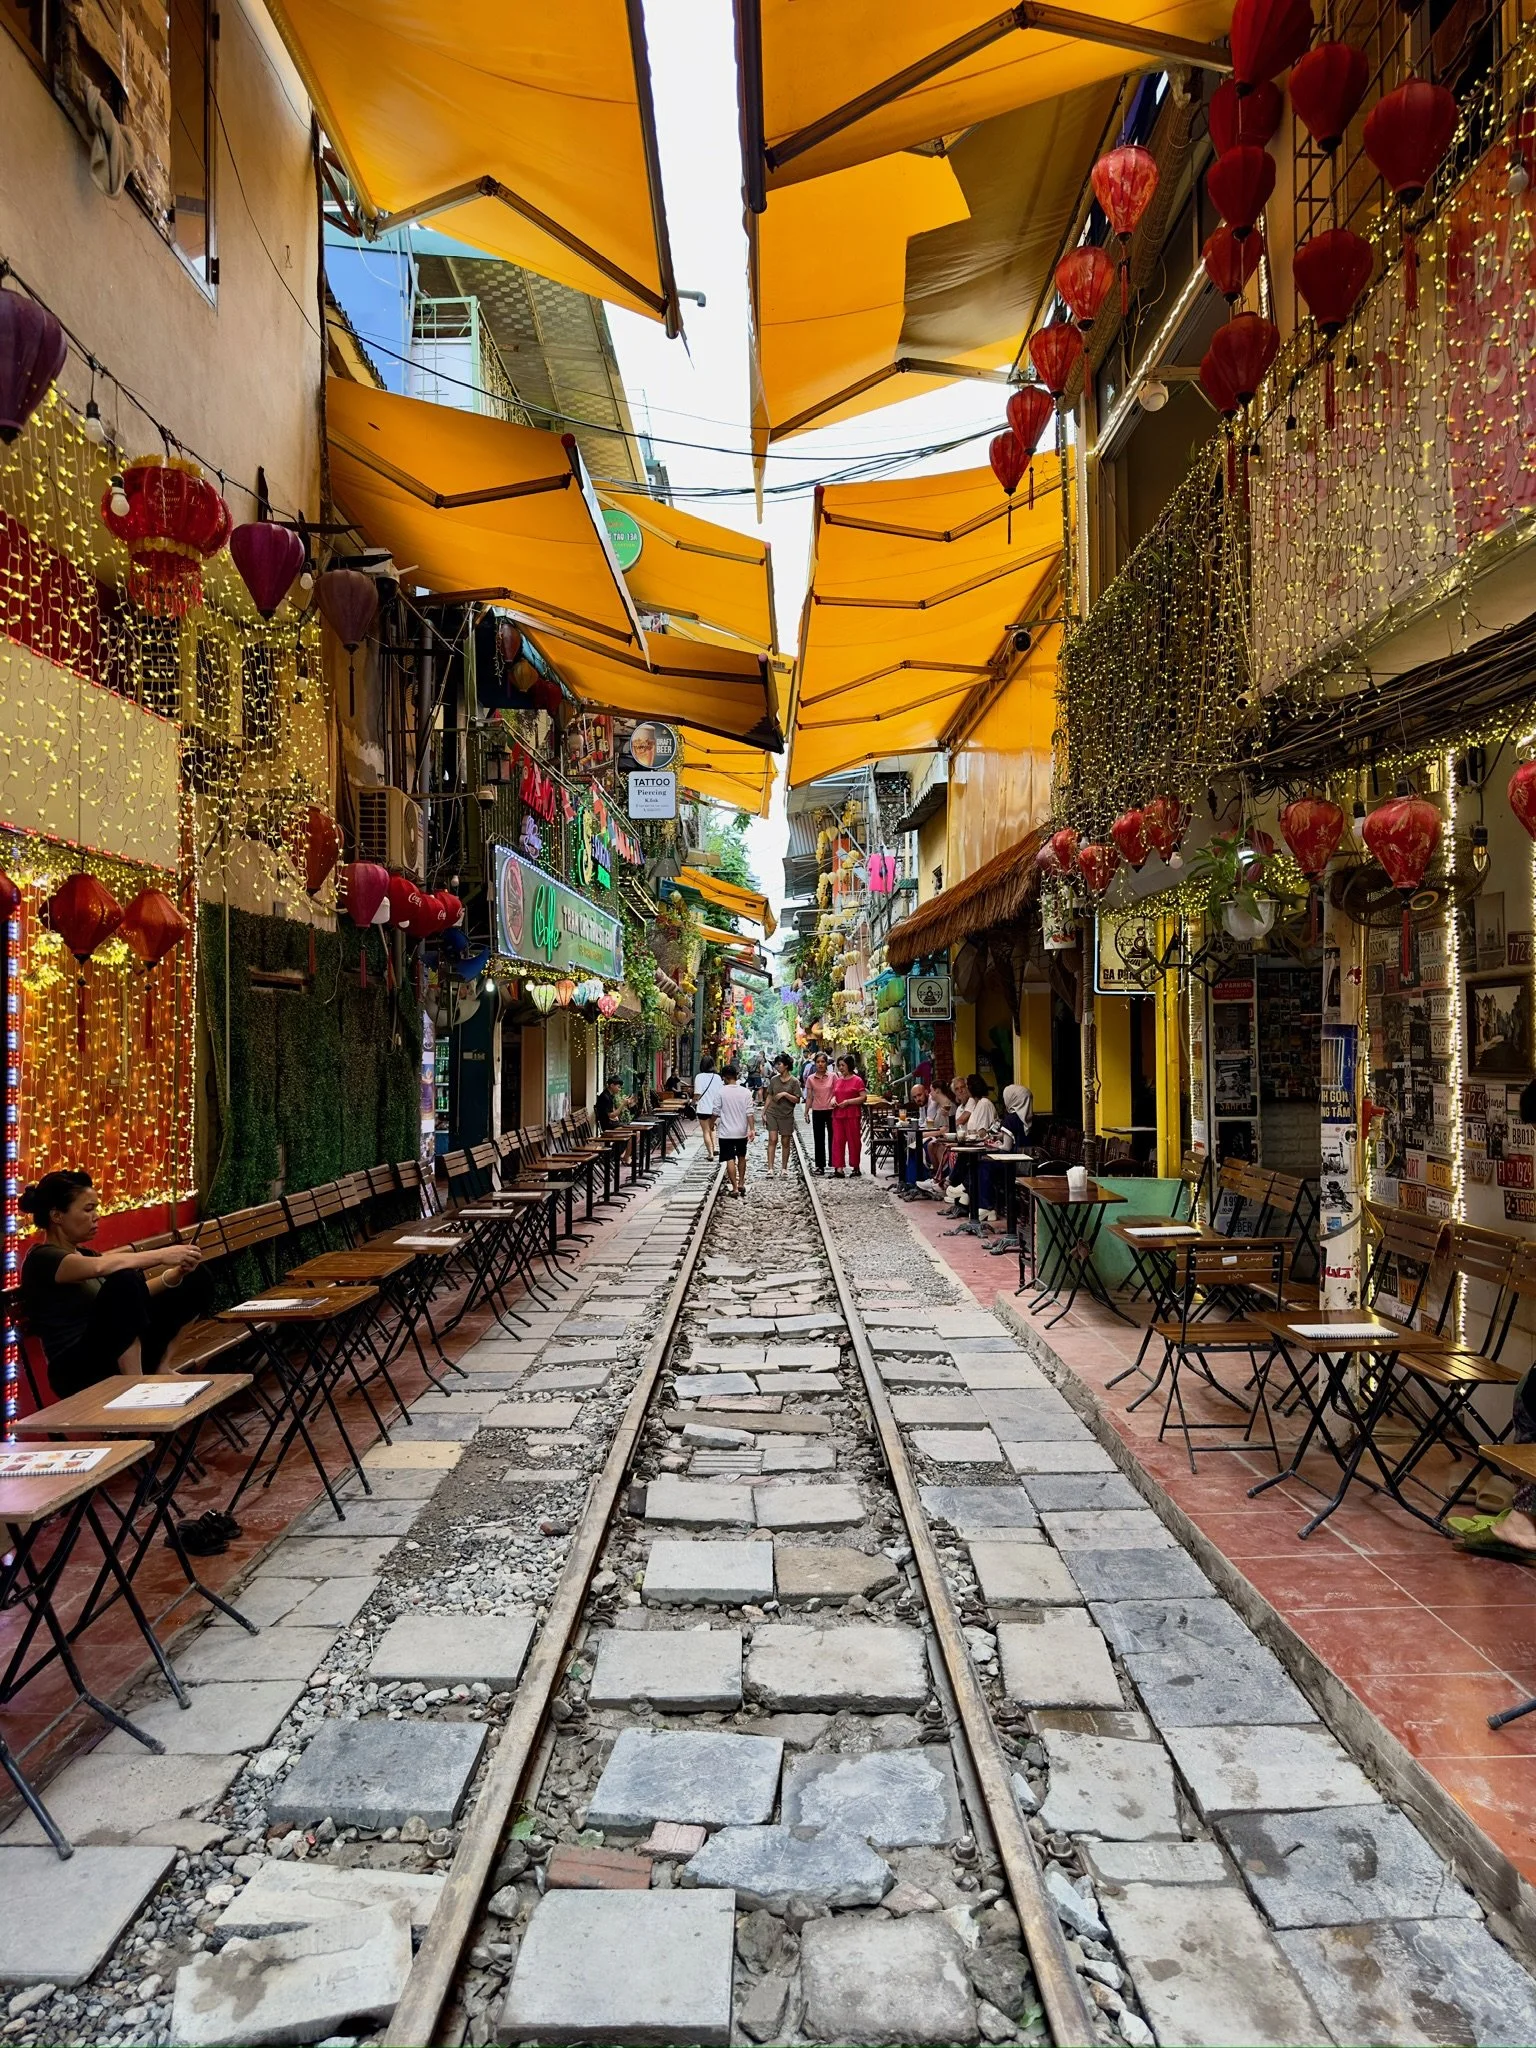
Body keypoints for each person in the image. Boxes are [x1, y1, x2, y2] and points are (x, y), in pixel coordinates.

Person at [20, 1170, 204, 1400]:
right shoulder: (43, 1258)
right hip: (75, 1369)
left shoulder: (86, 1253)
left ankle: (161, 1368)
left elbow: (132, 1297)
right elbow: (101, 1269)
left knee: (195, 1280)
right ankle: (137, 1389)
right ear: (57, 1215)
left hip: (106, 1354)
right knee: (125, 1279)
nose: (96, 1216)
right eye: (88, 1209)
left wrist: (175, 1275)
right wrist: (161, 1255)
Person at [976, 1083, 1034, 1228]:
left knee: (984, 1164)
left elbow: (1006, 1148)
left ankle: (986, 1206)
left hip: (1012, 1165)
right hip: (1028, 1163)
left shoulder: (1010, 1119)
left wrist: (996, 1145)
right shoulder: (1030, 1118)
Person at [943, 1075, 999, 1211]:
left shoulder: (984, 1103)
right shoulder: (977, 1104)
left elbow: (982, 1132)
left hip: (986, 1147)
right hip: (979, 1145)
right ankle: (958, 1188)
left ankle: (959, 1186)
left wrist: (969, 1138)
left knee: (969, 1157)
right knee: (961, 1153)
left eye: (965, 1086)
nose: (963, 1090)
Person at [715, 1062, 756, 1197]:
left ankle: (734, 1188)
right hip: (741, 1131)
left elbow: (715, 1112)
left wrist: (710, 1125)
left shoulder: (720, 1092)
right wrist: (752, 1129)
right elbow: (749, 1112)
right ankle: (742, 1183)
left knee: (729, 1159)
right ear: (736, 1076)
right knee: (741, 1156)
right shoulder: (745, 1092)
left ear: (725, 1078)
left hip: (726, 1132)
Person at [763, 1053, 801, 1177]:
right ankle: (770, 1168)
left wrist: (785, 1094)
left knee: (785, 1141)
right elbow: (769, 1095)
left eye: (779, 1064)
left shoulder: (794, 1081)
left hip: (787, 1114)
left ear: (786, 1065)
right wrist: (764, 1111)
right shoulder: (774, 1080)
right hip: (772, 1112)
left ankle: (784, 1168)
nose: (777, 1067)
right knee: (772, 1139)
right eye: (777, 1064)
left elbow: (797, 1099)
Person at [831, 1054, 867, 1176]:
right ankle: (838, 1167)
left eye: (843, 1065)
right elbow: (835, 1094)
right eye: (839, 1065)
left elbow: (863, 1098)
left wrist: (848, 1102)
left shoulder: (857, 1080)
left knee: (854, 1141)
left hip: (852, 1114)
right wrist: (833, 1100)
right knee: (838, 1141)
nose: (841, 1068)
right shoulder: (838, 1080)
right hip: (838, 1114)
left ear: (849, 1066)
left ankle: (855, 1166)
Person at [804, 1052, 837, 1174]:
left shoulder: (833, 1076)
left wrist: (835, 1099)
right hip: (817, 1110)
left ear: (826, 1063)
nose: (820, 1064)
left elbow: (837, 1092)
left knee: (833, 1137)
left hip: (831, 1110)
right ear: (815, 1063)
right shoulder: (811, 1079)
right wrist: (806, 1111)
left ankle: (835, 1163)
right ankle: (820, 1165)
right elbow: (809, 1097)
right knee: (818, 1138)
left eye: (823, 1062)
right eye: (818, 1062)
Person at [693, 1057, 724, 1159]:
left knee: (706, 1131)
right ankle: (715, 1148)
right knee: (713, 1128)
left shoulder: (699, 1077)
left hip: (703, 1108)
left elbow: (697, 1094)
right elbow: (720, 1093)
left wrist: (692, 1101)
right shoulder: (717, 1077)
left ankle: (710, 1154)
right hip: (714, 1108)